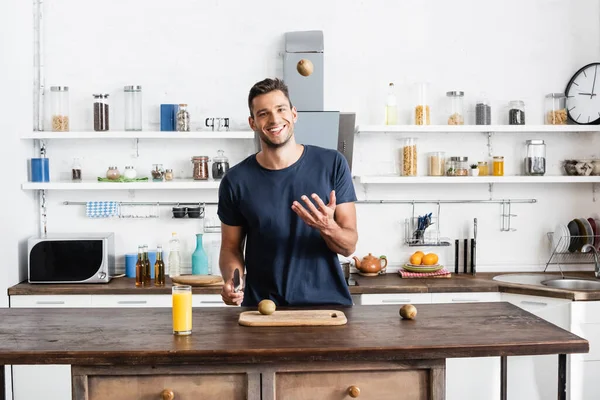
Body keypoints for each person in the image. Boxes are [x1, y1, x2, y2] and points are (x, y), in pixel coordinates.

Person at [218, 78, 358, 307]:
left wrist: (327, 226)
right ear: (252, 123)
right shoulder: (235, 180)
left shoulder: (332, 164)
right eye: (263, 113)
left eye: (281, 109)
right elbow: (230, 248)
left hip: (327, 306)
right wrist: (233, 281)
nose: (274, 119)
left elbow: (349, 246)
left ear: (294, 114)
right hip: (262, 308)